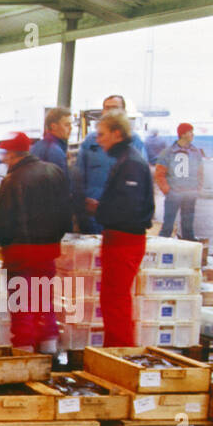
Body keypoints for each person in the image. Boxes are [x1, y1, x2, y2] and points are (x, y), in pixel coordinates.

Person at [0, 132, 73, 352]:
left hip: (19, 251)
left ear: (12, 154)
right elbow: (67, 213)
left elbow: (1, 220)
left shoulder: (12, 180)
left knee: (21, 304)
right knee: (43, 299)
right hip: (48, 249)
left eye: (6, 153)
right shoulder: (54, 172)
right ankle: (49, 348)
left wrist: (5, 246)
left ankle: (23, 352)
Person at [93, 109, 154, 346]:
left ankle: (120, 351)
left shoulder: (131, 164)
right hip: (119, 238)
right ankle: (114, 349)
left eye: (102, 134)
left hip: (124, 240)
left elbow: (129, 209)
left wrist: (99, 210)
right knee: (112, 299)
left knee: (116, 300)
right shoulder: (126, 160)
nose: (98, 140)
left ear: (117, 134)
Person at [73, 94, 146, 234]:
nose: (111, 112)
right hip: (91, 216)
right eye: (107, 108)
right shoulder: (91, 141)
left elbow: (139, 186)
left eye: (115, 108)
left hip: (119, 218)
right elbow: (78, 176)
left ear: (124, 112)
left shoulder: (134, 143)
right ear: (102, 112)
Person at [155, 123, 205, 241]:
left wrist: (197, 189)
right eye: (190, 132)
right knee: (168, 226)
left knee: (188, 227)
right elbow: (159, 173)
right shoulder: (168, 152)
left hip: (190, 194)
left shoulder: (196, 152)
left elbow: (200, 172)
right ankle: (163, 247)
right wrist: (167, 190)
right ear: (182, 134)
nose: (193, 134)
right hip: (174, 194)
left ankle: (189, 249)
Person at [30, 107, 71, 177]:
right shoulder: (55, 152)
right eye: (67, 125)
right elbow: (62, 183)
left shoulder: (36, 146)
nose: (71, 128)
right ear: (54, 126)